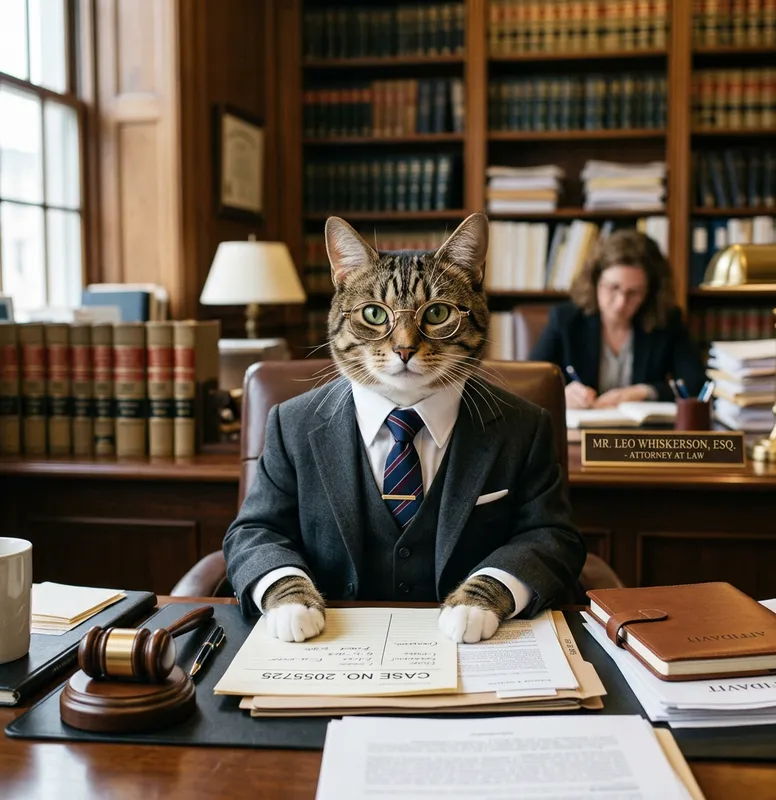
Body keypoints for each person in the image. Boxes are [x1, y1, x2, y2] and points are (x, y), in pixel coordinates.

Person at [223, 213, 586, 645]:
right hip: (329, 650)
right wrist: (285, 590)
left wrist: (492, 591)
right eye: (374, 313)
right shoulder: (293, 423)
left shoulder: (522, 426)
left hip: (479, 654)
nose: (405, 343)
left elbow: (552, 536)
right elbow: (254, 533)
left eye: (437, 313)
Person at [530, 229, 706, 409]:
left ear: (650, 292)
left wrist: (644, 392)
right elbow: (530, 383)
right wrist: (561, 394)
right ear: (595, 281)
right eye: (613, 288)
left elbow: (695, 384)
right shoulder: (566, 320)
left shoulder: (666, 321)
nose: (621, 302)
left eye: (634, 292)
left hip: (641, 427)